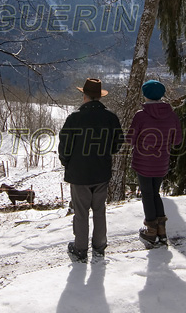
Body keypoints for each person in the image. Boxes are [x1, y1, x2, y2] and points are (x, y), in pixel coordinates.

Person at [58, 78, 123, 261]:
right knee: (99, 210)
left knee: (81, 212)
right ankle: (99, 246)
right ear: (99, 97)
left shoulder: (74, 118)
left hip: (79, 174)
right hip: (101, 172)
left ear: (84, 95)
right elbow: (117, 145)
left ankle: (80, 249)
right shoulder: (111, 118)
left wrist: (68, 163)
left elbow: (64, 148)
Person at [127, 80, 182, 246]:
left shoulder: (141, 115)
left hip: (143, 163)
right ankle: (162, 230)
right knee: (155, 193)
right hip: (162, 163)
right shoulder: (171, 115)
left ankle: (150, 231)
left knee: (147, 194)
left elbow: (130, 139)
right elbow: (177, 140)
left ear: (145, 95)